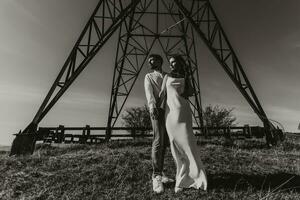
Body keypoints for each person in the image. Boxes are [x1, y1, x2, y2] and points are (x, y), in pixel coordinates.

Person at [159, 55, 207, 193]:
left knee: (188, 144)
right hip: (170, 114)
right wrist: (158, 112)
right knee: (175, 146)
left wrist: (185, 91)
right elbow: (162, 94)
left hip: (183, 112)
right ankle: (181, 179)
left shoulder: (186, 76)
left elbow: (192, 91)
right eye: (171, 63)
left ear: (180, 63)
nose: (172, 64)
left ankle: (195, 177)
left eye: (175, 62)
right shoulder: (167, 76)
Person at [144, 54, 173, 194]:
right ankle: (156, 176)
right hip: (156, 110)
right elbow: (149, 93)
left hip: (170, 111)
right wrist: (152, 107)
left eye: (153, 60)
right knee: (158, 140)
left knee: (166, 142)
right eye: (149, 61)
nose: (150, 62)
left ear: (160, 61)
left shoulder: (168, 75)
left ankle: (161, 173)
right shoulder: (149, 76)